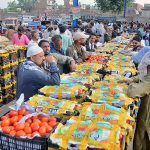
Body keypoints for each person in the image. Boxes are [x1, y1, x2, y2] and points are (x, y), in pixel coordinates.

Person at [126, 52, 150, 150]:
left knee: (142, 136)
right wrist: (133, 80)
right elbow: (143, 77)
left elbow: (132, 92)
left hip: (147, 115)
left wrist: (131, 84)